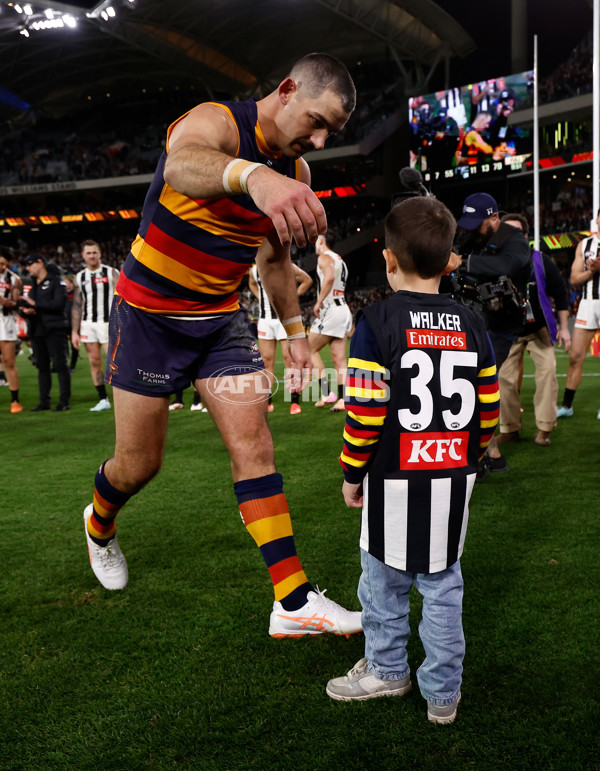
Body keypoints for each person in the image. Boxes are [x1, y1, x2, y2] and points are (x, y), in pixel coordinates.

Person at [82, 52, 362, 639]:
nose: (316, 139)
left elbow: (276, 259)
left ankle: (292, 600)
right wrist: (254, 175)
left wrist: (294, 335)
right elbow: (183, 166)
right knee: (140, 465)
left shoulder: (297, 173)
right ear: (286, 90)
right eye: (315, 121)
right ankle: (99, 525)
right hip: (148, 318)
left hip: (221, 324)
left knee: (255, 446)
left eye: (329, 133)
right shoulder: (215, 123)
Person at [325, 197, 499, 724]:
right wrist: (468, 459)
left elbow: (367, 411)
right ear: (450, 261)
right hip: (451, 475)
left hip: (393, 476)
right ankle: (443, 696)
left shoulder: (375, 321)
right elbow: (487, 412)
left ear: (388, 259)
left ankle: (387, 669)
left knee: (382, 580)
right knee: (444, 584)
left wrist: (352, 472)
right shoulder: (472, 322)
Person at [454, 192, 530, 478]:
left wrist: (463, 262)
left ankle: (487, 454)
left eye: (478, 222)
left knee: (477, 388)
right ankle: (490, 454)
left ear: (495, 217)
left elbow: (508, 266)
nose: (472, 228)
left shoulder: (515, 239)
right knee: (468, 387)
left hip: (502, 326)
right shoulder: (474, 238)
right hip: (476, 321)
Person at [495, 214, 571, 446]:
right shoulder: (495, 261)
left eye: (516, 232)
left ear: (526, 236)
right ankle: (509, 428)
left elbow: (561, 293)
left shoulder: (541, 260)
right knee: (502, 379)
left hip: (539, 329)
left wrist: (565, 328)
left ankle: (544, 429)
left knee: (548, 374)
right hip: (509, 331)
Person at [248, 261, 312, 414]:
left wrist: (292, 296)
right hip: (265, 320)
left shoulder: (286, 265)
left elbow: (307, 280)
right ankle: (268, 401)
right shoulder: (255, 270)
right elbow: (252, 284)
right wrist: (260, 297)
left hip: (284, 320)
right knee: (266, 361)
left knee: (288, 359)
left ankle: (294, 401)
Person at [557, 210, 600, 419]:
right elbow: (574, 279)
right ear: (597, 219)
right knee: (575, 357)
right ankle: (567, 405)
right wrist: (592, 271)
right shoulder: (585, 245)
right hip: (588, 304)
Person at [72, 240, 120, 411]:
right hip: (88, 325)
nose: (92, 256)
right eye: (88, 253)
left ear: (100, 254)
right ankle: (103, 399)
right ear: (83, 255)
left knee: (113, 362)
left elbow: (123, 297)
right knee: (94, 361)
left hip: (108, 323)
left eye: (94, 252)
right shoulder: (80, 277)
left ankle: (120, 398)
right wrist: (74, 331)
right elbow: (77, 305)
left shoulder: (111, 273)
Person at [19, 254, 71, 411]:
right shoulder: (32, 283)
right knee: (42, 366)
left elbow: (59, 304)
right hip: (37, 329)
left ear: (39, 263)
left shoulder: (56, 281)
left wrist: (35, 304)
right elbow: (24, 305)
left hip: (54, 329)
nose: (27, 269)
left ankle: (64, 401)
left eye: (29, 264)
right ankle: (44, 401)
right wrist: (25, 311)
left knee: (60, 365)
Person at [308, 234, 353, 412]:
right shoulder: (339, 259)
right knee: (339, 359)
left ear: (322, 242)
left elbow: (329, 278)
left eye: (317, 240)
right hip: (343, 308)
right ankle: (343, 399)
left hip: (331, 310)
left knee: (310, 349)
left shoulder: (324, 257)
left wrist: (318, 302)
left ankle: (327, 393)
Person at [0, 253, 23, 412]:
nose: (2, 267)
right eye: (0, 263)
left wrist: (10, 302)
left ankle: (15, 401)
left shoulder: (14, 278)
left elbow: (15, 303)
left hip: (5, 320)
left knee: (9, 361)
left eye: (4, 264)